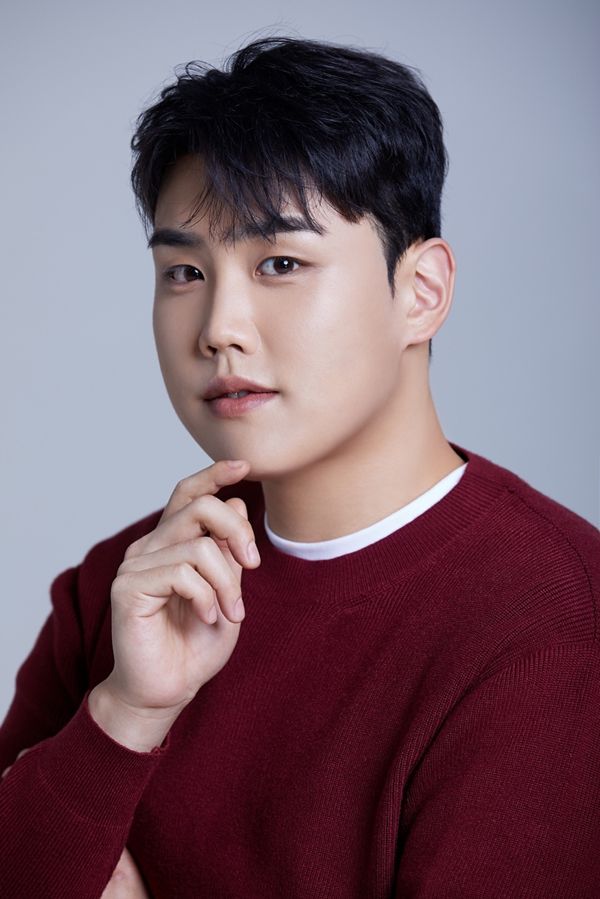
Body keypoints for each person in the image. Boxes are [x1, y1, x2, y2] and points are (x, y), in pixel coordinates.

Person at [1, 34, 599, 899]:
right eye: (183, 271)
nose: (219, 327)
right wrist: (126, 711)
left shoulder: (550, 628)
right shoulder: (125, 590)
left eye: (280, 263)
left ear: (421, 292)